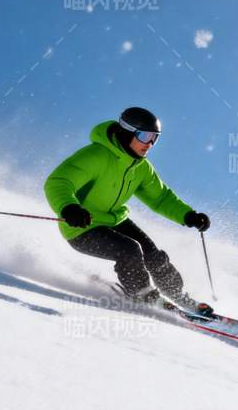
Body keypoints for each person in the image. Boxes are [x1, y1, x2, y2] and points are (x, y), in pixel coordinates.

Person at [44, 106, 213, 314]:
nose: (150, 143)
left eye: (155, 138)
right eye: (145, 136)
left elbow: (160, 198)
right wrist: (69, 208)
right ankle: (141, 294)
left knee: (153, 255)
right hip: (82, 226)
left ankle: (177, 295)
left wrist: (189, 215)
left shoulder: (141, 167)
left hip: (114, 219)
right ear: (127, 132)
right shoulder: (96, 155)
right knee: (130, 250)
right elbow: (58, 182)